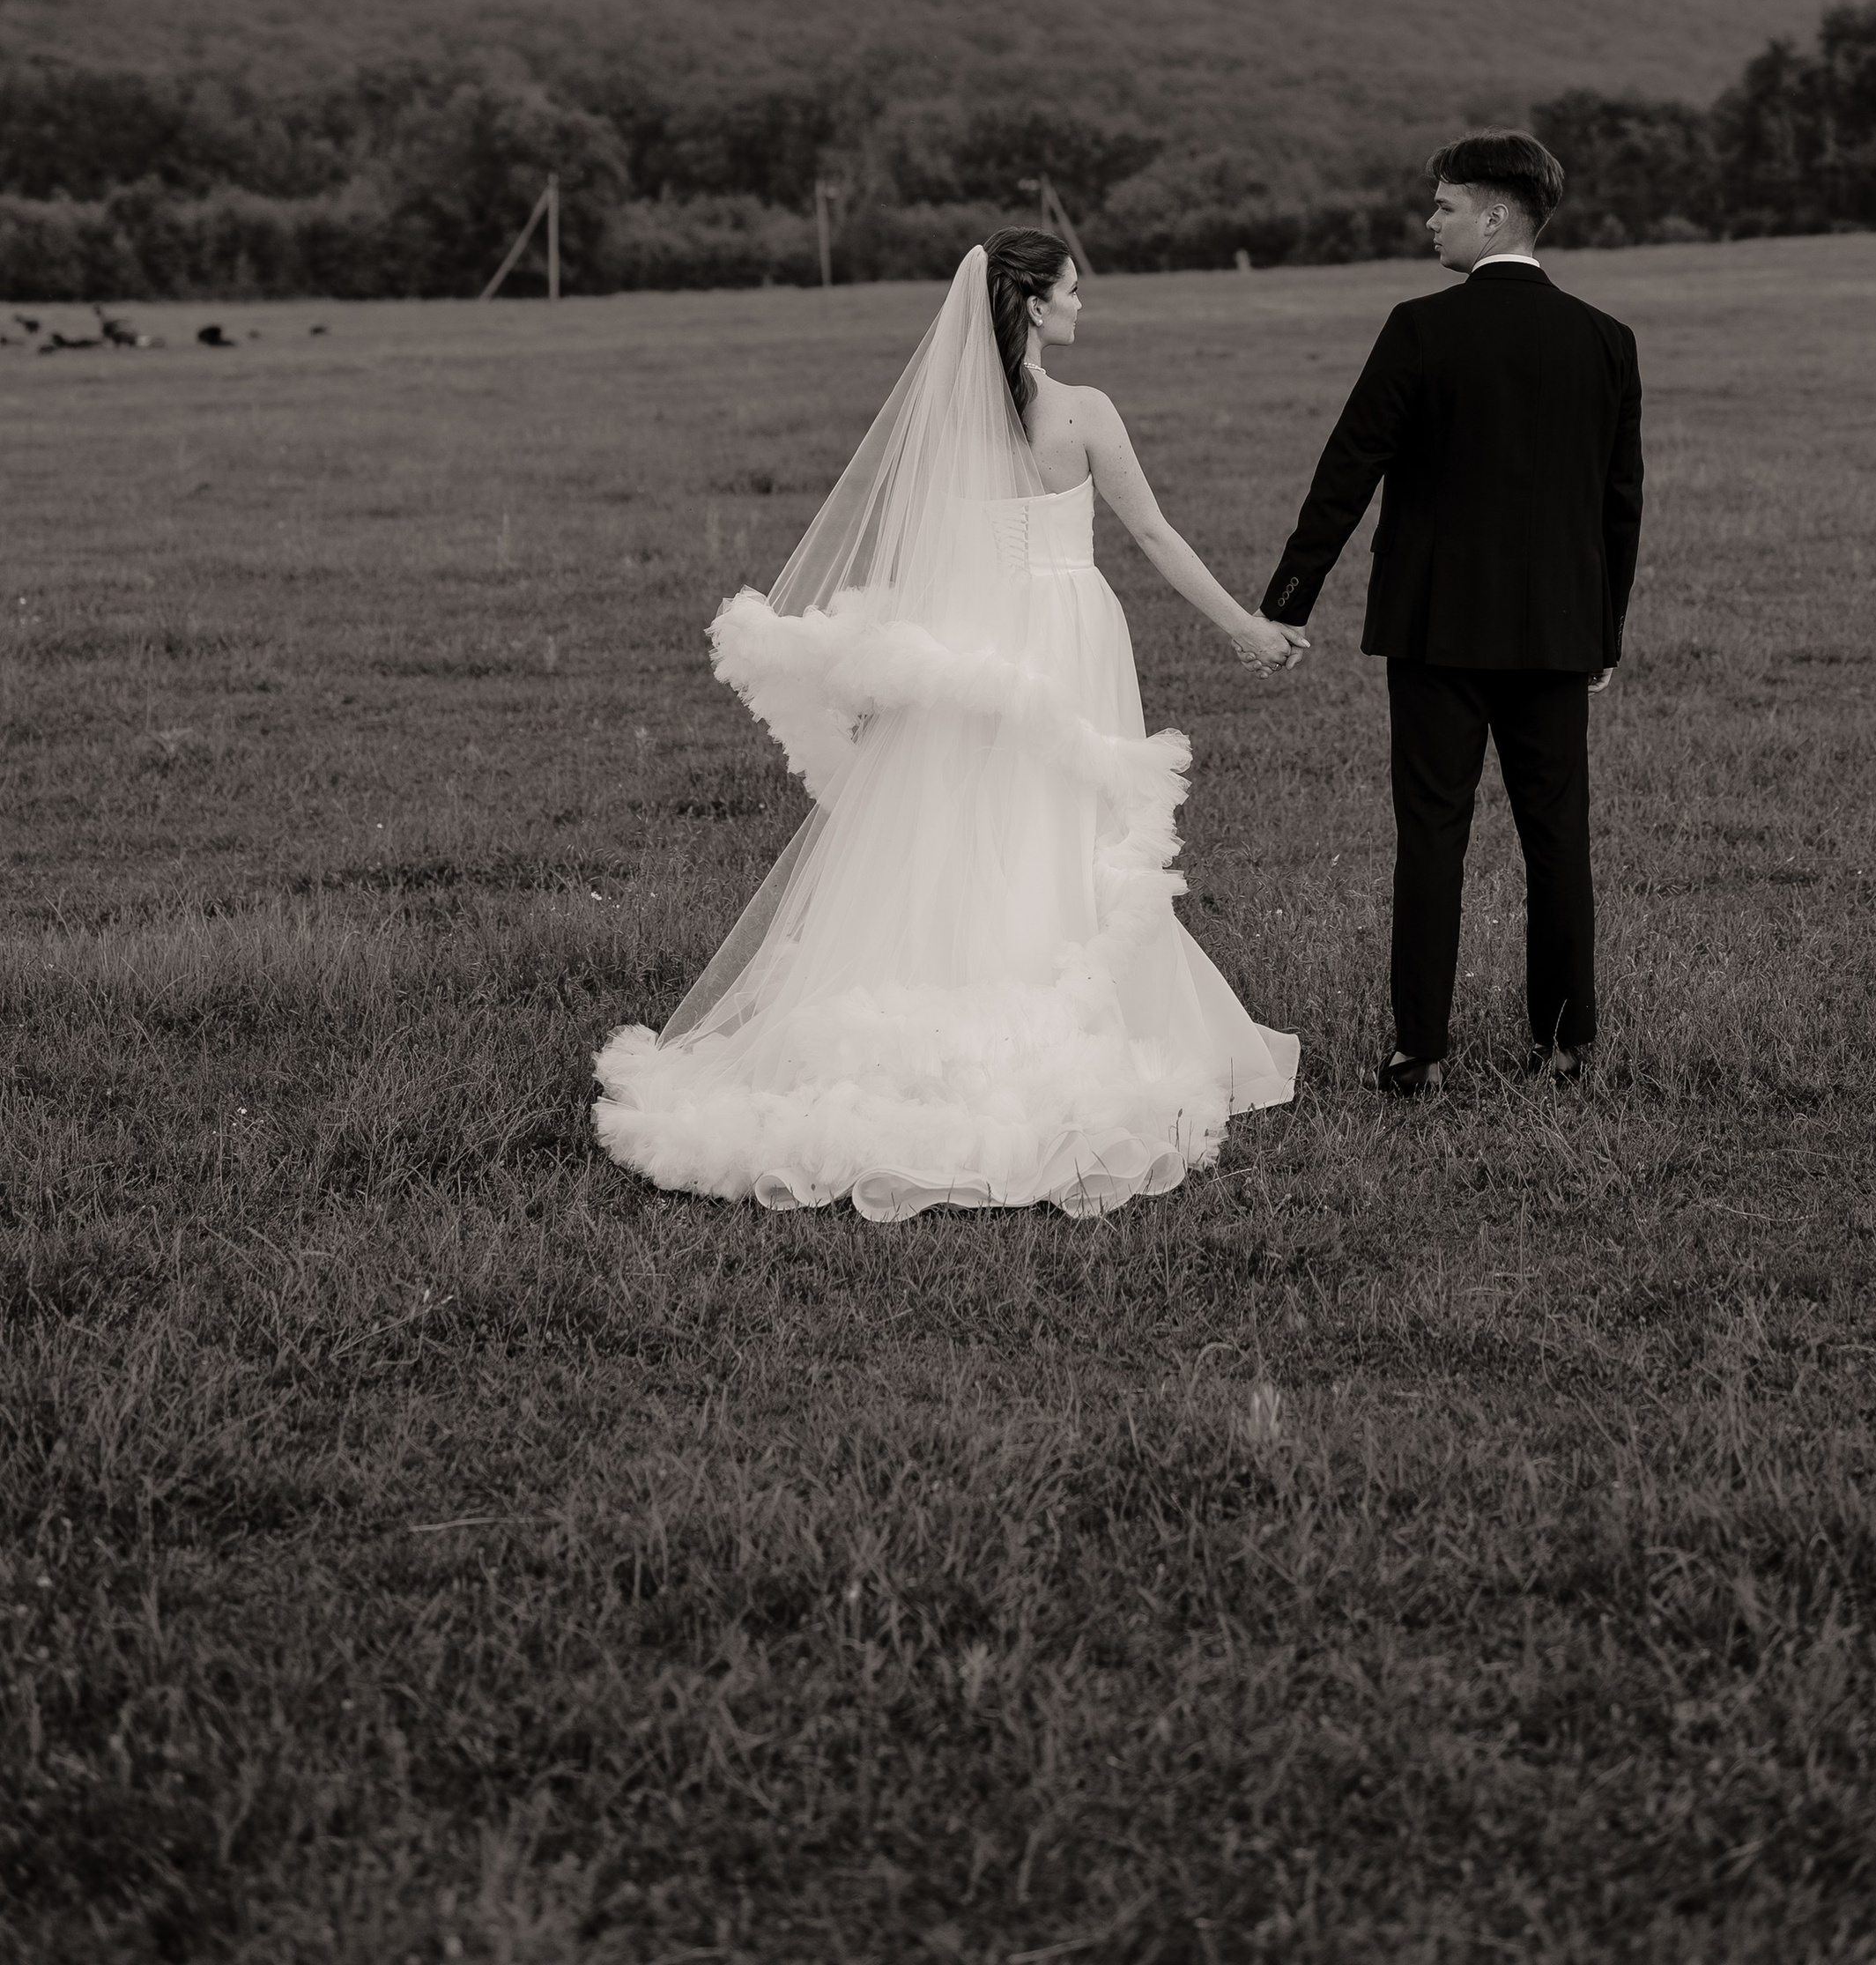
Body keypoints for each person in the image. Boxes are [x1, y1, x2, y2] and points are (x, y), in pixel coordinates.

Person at [594, 231, 1301, 1221]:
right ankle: (1065, 997)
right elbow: (1151, 531)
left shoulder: (948, 422)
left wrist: (901, 671)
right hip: (1066, 632)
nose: (1082, 303)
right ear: (1035, 302)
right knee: (1063, 816)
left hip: (973, 639)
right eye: (1071, 289)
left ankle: (956, 977)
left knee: (962, 812)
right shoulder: (1083, 410)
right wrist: (1242, 626)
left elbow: (920, 550)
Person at [1261, 130, 1642, 1094]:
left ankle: (1417, 1051)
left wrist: (1290, 597)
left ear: (1496, 214)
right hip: (1559, 629)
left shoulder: (1420, 328)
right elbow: (1618, 502)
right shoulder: (1604, 338)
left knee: (1432, 832)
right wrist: (1606, 629)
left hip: (1434, 629)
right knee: (1558, 835)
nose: (1428, 222)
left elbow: (1347, 468)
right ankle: (1563, 1046)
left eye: (1442, 206)